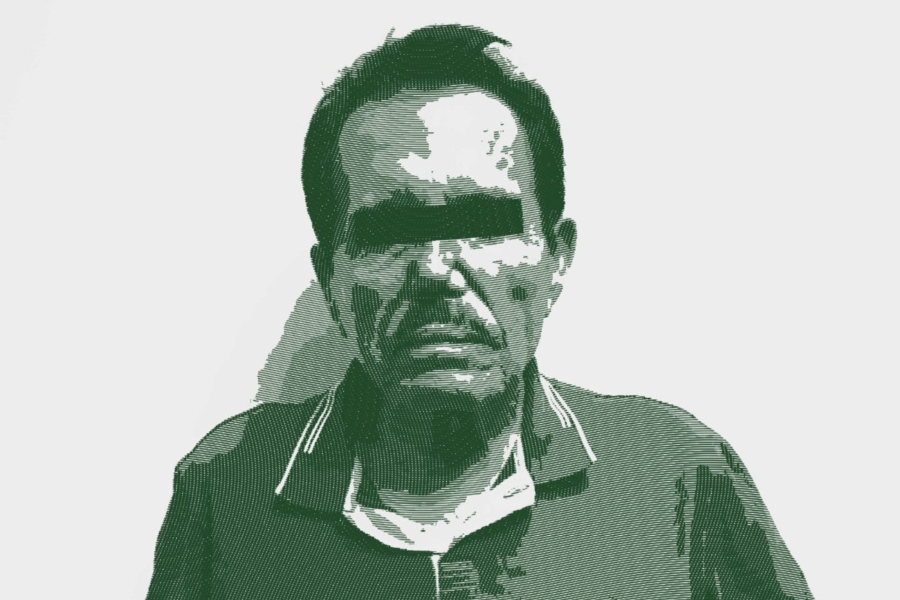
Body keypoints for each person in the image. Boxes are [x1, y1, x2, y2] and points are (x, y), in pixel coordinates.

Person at [147, 24, 813, 599]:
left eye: (485, 223)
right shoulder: (227, 485)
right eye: (391, 231)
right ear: (331, 279)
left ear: (556, 258)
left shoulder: (673, 472)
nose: (436, 270)